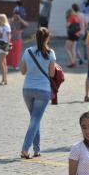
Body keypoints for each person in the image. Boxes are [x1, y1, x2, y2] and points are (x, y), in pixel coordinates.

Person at [20, 27, 56, 159]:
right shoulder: (50, 53)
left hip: (27, 89)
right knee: (35, 119)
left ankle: (37, 150)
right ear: (47, 38)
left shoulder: (27, 51)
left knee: (35, 119)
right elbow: (52, 74)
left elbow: (23, 71)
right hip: (43, 89)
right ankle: (25, 149)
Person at [0, 13, 11, 85]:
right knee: (4, 63)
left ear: (2, 19)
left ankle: (4, 79)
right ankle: (5, 79)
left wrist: (8, 45)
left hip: (5, 44)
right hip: (0, 43)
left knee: (1, 62)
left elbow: (9, 37)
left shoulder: (7, 26)